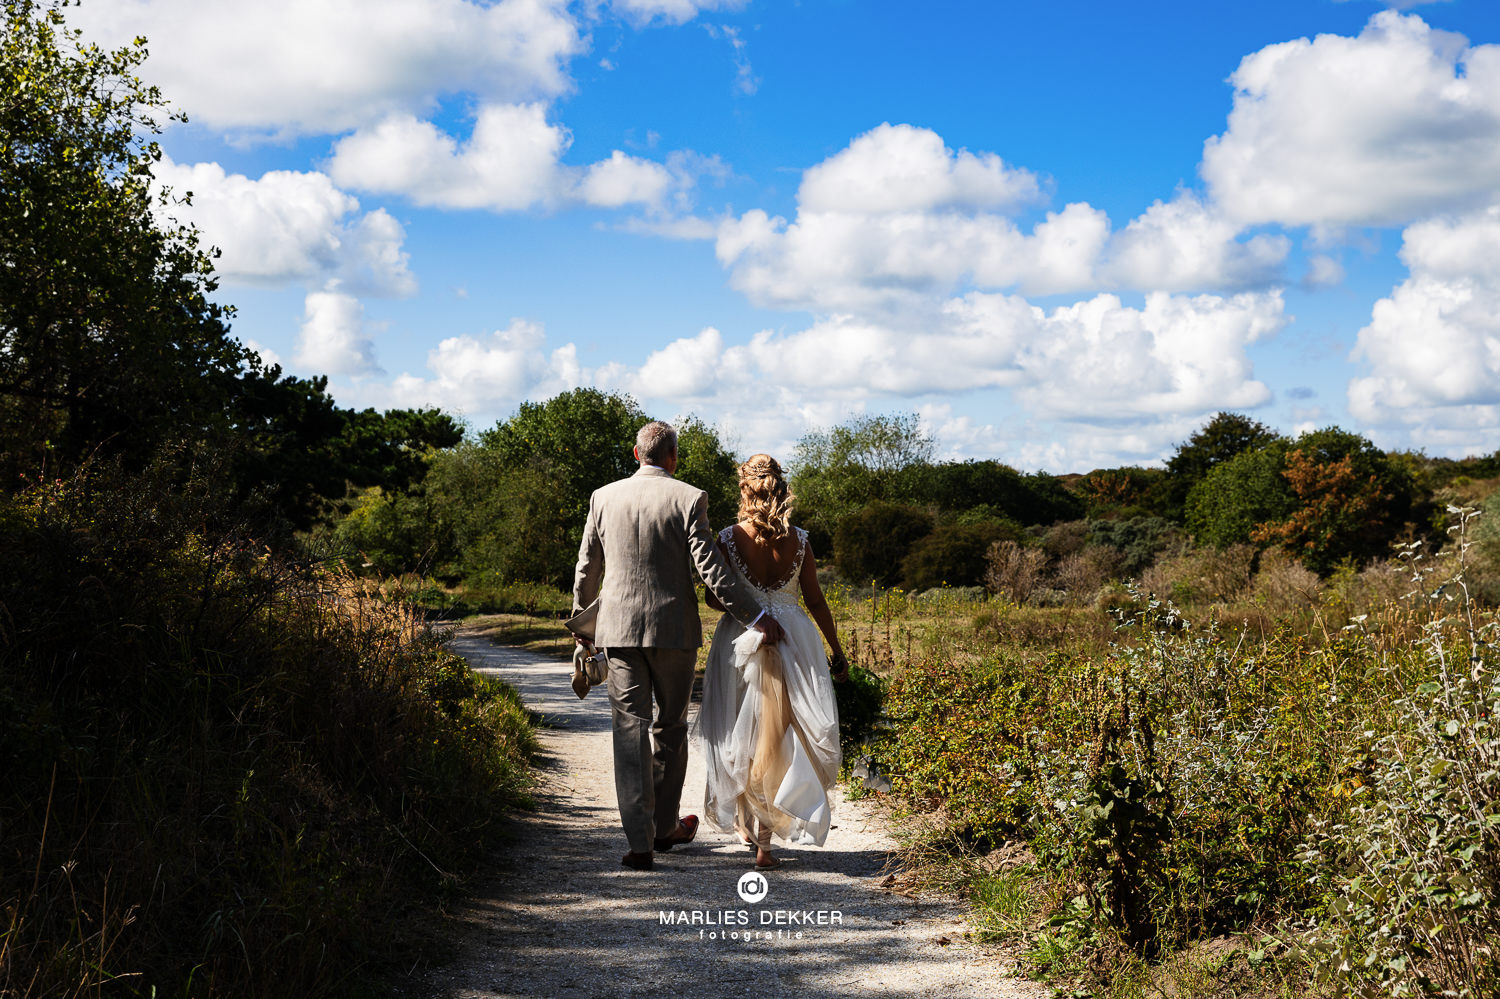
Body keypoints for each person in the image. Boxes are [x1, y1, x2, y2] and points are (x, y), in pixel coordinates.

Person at [572, 422, 785, 872]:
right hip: (673, 632)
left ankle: (640, 844)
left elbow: (588, 565)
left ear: (636, 454)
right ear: (672, 457)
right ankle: (665, 825)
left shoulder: (602, 497)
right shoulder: (689, 497)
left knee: (629, 730)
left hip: (618, 630)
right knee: (669, 727)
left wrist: (582, 624)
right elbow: (711, 569)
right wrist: (757, 616)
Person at [693, 454, 848, 870]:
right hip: (794, 639)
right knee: (779, 736)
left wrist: (747, 598)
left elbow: (715, 598)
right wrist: (836, 650)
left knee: (742, 732)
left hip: (741, 637)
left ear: (745, 489)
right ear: (780, 488)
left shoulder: (728, 538)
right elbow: (816, 600)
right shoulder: (801, 540)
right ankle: (763, 842)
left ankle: (750, 827)